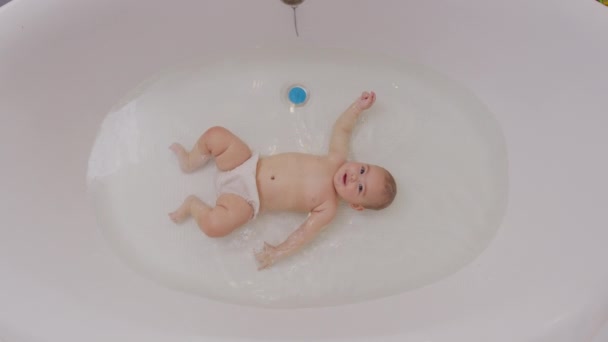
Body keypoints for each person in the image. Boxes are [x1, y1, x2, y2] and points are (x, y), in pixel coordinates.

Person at [169, 91, 396, 270]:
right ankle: (190, 161)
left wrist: (278, 252)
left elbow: (303, 235)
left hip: (245, 200)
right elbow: (343, 129)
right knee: (216, 135)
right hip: (246, 164)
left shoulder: (327, 207)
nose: (355, 176)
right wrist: (357, 107)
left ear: (356, 205)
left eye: (359, 187)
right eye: (363, 170)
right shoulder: (337, 159)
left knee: (215, 227)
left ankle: (192, 206)